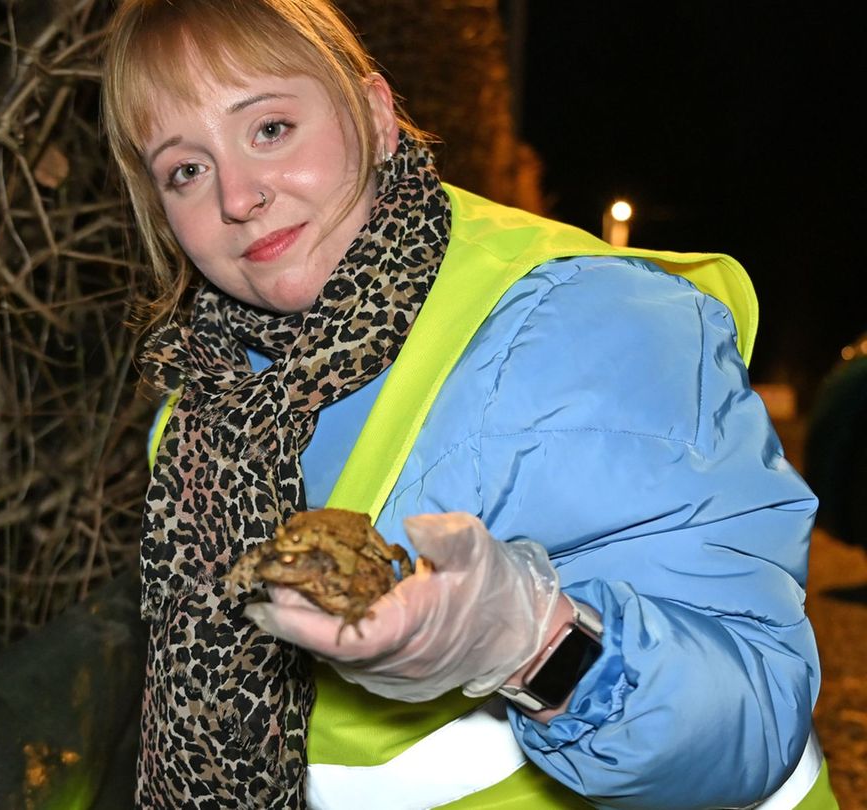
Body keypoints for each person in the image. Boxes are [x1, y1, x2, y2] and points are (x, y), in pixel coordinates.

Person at [101, 0, 838, 808]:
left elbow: (753, 717)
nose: (237, 196)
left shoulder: (589, 327)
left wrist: (532, 643)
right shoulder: (207, 413)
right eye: (186, 169)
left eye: (270, 128)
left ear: (376, 116)